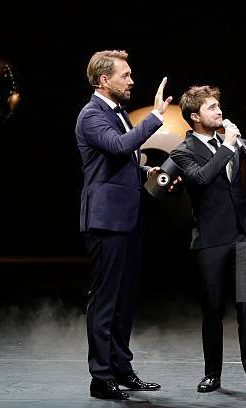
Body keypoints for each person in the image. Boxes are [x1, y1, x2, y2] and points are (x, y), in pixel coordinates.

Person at [169, 79, 246, 393]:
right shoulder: (184, 151)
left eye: (218, 105)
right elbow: (201, 178)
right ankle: (213, 374)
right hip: (210, 239)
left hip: (244, 233)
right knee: (213, 309)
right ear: (195, 116)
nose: (219, 110)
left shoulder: (231, 141)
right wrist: (227, 146)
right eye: (212, 107)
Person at [75, 50, 174, 400]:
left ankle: (121, 368)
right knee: (105, 300)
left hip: (126, 219)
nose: (132, 81)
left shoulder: (115, 113)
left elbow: (124, 159)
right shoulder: (91, 115)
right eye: (126, 75)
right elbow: (118, 147)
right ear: (104, 80)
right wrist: (155, 116)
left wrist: (147, 171)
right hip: (106, 221)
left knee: (124, 299)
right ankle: (100, 378)